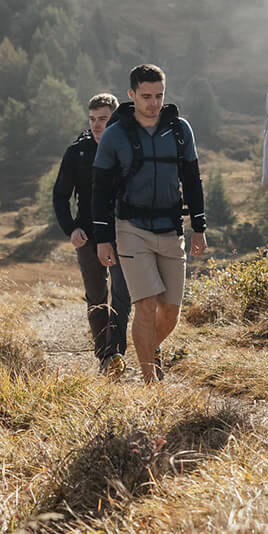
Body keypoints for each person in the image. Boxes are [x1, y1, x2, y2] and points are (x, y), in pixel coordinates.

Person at [90, 64, 207, 383]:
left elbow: (192, 179)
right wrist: (103, 237)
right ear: (131, 95)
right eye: (146, 96)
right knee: (145, 303)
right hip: (131, 229)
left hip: (171, 229)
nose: (154, 103)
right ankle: (150, 383)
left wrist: (199, 226)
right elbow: (100, 190)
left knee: (170, 312)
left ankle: (146, 349)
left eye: (159, 96)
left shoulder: (181, 130)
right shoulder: (115, 135)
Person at [51, 92, 129, 374]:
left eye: (104, 119)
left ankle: (116, 353)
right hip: (88, 237)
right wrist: (71, 229)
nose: (97, 125)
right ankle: (104, 356)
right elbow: (60, 196)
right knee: (96, 297)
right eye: (93, 119)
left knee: (123, 293)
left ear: (115, 119)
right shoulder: (77, 152)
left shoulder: (127, 148)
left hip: (123, 233)